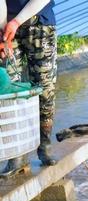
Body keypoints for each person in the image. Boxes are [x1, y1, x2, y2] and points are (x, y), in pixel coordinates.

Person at [0, 0, 57, 177]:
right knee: (10, 90)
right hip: (7, 26)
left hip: (39, 22)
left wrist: (17, 21)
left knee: (44, 88)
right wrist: (2, 32)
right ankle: (17, 156)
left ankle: (44, 144)